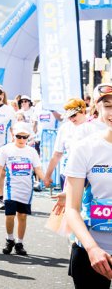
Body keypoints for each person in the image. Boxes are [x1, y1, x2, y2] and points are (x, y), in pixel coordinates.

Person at [64, 83, 112, 289]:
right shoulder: (85, 148)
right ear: (97, 108)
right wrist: (92, 249)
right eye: (108, 105)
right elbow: (72, 209)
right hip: (91, 252)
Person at [0, 123, 44, 256]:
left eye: (24, 137)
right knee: (9, 215)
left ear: (28, 137)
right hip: (11, 188)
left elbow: (38, 169)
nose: (21, 140)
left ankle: (19, 243)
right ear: (13, 135)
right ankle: (10, 240)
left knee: (22, 216)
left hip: (26, 189)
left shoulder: (32, 151)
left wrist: (46, 180)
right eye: (18, 137)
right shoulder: (5, 150)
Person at [43, 98, 89, 188]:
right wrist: (48, 175)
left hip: (89, 174)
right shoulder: (64, 128)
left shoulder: (94, 126)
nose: (71, 119)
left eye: (74, 115)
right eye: (69, 116)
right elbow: (57, 154)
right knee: (68, 202)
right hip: (68, 173)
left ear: (83, 111)